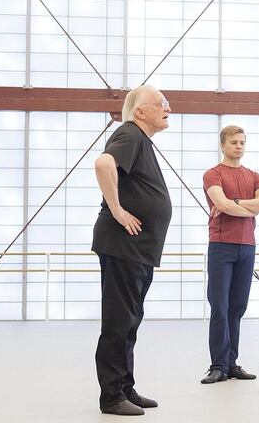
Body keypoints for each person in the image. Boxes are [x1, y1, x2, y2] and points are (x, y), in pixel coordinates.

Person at [92, 85, 172, 416]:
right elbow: (103, 164)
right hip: (123, 243)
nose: (168, 108)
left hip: (136, 248)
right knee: (119, 319)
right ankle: (111, 395)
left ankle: (125, 387)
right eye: (161, 103)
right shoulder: (130, 133)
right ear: (141, 112)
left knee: (130, 319)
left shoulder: (141, 141)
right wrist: (118, 210)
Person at [200, 125, 259, 384]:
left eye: (242, 142)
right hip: (221, 245)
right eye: (233, 142)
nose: (238, 146)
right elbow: (221, 204)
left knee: (237, 307)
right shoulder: (213, 174)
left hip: (247, 246)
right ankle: (218, 365)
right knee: (219, 306)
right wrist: (248, 206)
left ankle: (231, 364)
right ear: (223, 145)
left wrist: (237, 204)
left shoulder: (255, 176)